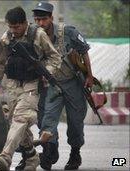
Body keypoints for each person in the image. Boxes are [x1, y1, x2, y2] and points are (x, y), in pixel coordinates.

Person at [0, 6, 61, 171]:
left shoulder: (38, 35)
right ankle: (32, 156)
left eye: (17, 27)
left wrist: (47, 72)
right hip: (12, 85)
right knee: (17, 122)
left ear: (25, 23)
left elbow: (55, 57)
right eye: (11, 27)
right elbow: (0, 63)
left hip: (32, 84)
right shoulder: (6, 38)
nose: (14, 30)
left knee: (21, 118)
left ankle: (6, 155)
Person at [32, 2, 93, 170]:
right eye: (37, 20)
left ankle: (75, 153)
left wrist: (89, 75)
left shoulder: (68, 32)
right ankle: (50, 150)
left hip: (73, 82)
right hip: (51, 85)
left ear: (51, 18)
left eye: (43, 19)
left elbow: (84, 51)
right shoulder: (34, 35)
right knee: (47, 119)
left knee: (75, 121)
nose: (40, 24)